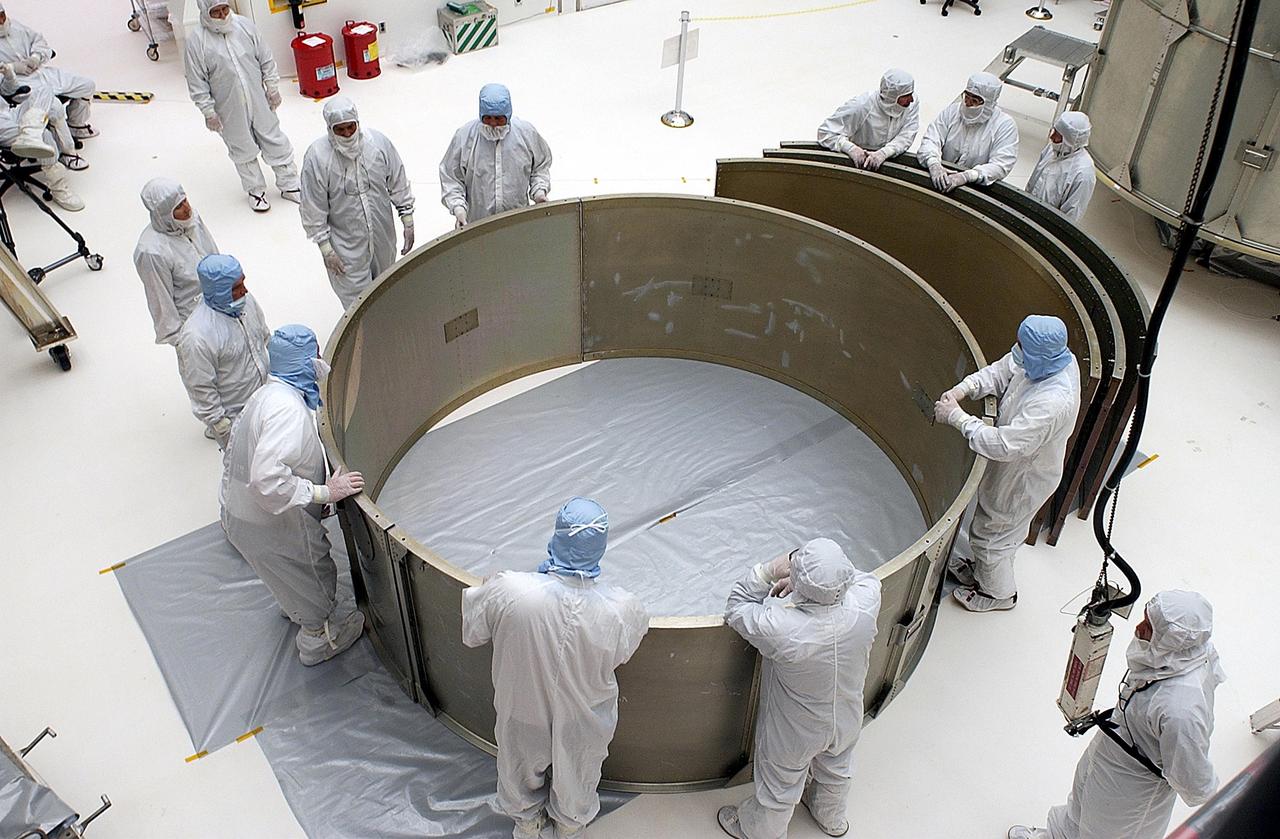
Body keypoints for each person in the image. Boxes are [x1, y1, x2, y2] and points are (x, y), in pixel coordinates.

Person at [462, 497, 649, 839]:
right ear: (601, 547)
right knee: (579, 769)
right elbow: (623, 652)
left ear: (558, 536)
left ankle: (527, 824)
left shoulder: (510, 590)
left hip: (522, 706)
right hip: (584, 715)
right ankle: (569, 826)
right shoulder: (621, 609)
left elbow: (473, 632)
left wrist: (492, 588)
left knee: (518, 763)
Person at [1009, 590, 1225, 839]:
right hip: (1114, 744)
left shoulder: (1181, 710)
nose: (1139, 628)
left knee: (1101, 833)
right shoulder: (1176, 656)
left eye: (1149, 627)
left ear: (1173, 640)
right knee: (1080, 803)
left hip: (1133, 789)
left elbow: (1194, 781)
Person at [221, 324, 366, 666]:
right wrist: (324, 492)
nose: (321, 362)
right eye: (315, 356)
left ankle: (295, 605)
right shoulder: (288, 412)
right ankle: (318, 639)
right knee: (313, 576)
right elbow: (267, 479)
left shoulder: (267, 395)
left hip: (243, 515)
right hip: (272, 524)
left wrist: (312, 490)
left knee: (285, 577)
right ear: (303, 364)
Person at [718, 538, 882, 839]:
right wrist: (808, 586)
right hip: (846, 715)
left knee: (779, 783)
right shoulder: (866, 602)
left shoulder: (782, 628)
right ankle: (830, 818)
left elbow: (736, 606)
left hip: (797, 730)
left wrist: (770, 571)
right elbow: (853, 578)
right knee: (837, 767)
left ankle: (759, 831)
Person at [934, 315, 1081, 611]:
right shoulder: (1045, 359)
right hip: (1014, 468)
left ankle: (998, 594)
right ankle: (982, 570)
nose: (1017, 351)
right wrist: (965, 388)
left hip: (1023, 478)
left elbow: (1005, 445)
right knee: (992, 528)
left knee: (993, 538)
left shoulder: (1053, 401)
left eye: (1023, 348)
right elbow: (1003, 370)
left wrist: (958, 418)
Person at [184, 0, 300, 213]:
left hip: (258, 98)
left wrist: (272, 87)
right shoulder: (197, 41)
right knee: (241, 147)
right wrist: (208, 111)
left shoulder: (245, 26)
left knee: (273, 137)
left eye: (225, 9)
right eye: (216, 12)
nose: (222, 15)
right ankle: (256, 190)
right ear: (205, 12)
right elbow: (196, 81)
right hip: (228, 107)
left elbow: (265, 58)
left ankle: (290, 184)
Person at [300, 96, 415, 309]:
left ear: (357, 122)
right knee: (356, 302)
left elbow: (397, 180)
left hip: (382, 235)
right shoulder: (318, 157)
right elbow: (312, 206)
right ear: (330, 129)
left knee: (386, 285)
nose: (346, 134)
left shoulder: (378, 144)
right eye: (340, 130)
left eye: (350, 127)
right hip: (345, 246)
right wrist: (326, 249)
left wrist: (407, 219)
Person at [176, 254, 270, 448]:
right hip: (237, 418)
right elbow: (201, 388)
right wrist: (222, 427)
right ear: (218, 291)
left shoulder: (246, 302)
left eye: (243, 282)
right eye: (236, 288)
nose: (244, 290)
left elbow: (264, 337)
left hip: (265, 400)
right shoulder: (197, 336)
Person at [440, 83, 552, 228]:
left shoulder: (526, 134)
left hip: (518, 223)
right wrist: (458, 208)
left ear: (508, 114)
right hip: (477, 226)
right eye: (488, 118)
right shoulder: (465, 137)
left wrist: (539, 191)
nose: (493, 123)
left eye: (499, 118)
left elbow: (540, 166)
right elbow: (451, 177)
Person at [133, 178, 220, 347]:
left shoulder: (192, 218)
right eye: (178, 207)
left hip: (221, 304)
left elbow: (213, 253)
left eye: (185, 200)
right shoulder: (152, 251)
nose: (187, 208)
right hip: (193, 321)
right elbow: (160, 299)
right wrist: (183, 341)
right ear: (163, 213)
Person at [0, 3, 97, 140]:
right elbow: (4, 87)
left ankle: (76, 125)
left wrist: (36, 57)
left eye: (2, 16)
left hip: (42, 72)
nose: (2, 21)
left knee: (87, 85)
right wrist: (12, 68)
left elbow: (39, 42)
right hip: (22, 84)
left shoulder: (16, 27)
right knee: (54, 106)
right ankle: (62, 144)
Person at [918, 72, 1019, 193]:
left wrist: (968, 176)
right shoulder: (952, 112)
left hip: (976, 188)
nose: (968, 103)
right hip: (941, 178)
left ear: (989, 104)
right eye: (967, 97)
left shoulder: (1004, 125)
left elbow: (1001, 164)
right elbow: (932, 138)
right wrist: (933, 163)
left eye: (975, 101)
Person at [0, 74, 83, 210]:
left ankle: (37, 136)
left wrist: (9, 76)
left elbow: (8, 91)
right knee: (44, 135)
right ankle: (58, 188)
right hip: (2, 129)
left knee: (46, 92)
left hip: (8, 113)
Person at [817, 68, 919, 171]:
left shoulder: (911, 105)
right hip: (856, 166)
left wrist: (885, 153)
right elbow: (825, 133)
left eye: (911, 93)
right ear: (892, 96)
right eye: (906, 96)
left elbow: (907, 134)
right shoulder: (861, 106)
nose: (911, 99)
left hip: (889, 162)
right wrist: (851, 149)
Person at [1026, 112, 1096, 224]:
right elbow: (1033, 181)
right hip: (1029, 213)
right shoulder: (1052, 149)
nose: (1052, 137)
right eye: (1054, 131)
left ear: (1071, 140)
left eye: (1058, 135)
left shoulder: (1083, 173)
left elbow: (1070, 216)